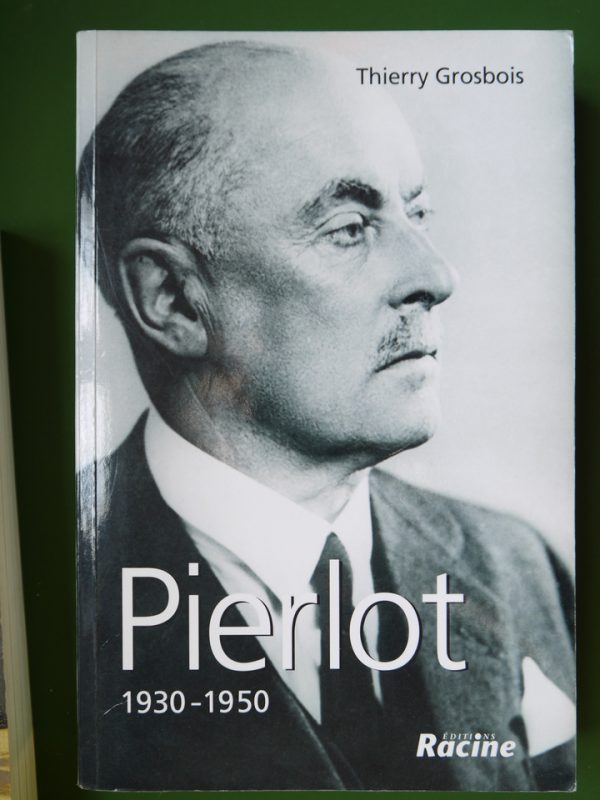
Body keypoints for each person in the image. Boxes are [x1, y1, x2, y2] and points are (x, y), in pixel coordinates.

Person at [77, 41, 575, 791]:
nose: (436, 276)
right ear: (173, 300)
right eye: (349, 227)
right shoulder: (47, 593)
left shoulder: (516, 564)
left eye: (417, 212)